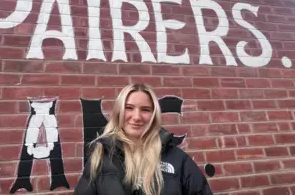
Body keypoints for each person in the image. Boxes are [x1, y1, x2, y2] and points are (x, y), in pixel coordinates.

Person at [74, 83, 213, 195]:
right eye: (129, 108)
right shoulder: (100, 157)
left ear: (154, 115)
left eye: (145, 110)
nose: (136, 117)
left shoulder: (178, 159)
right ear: (119, 112)